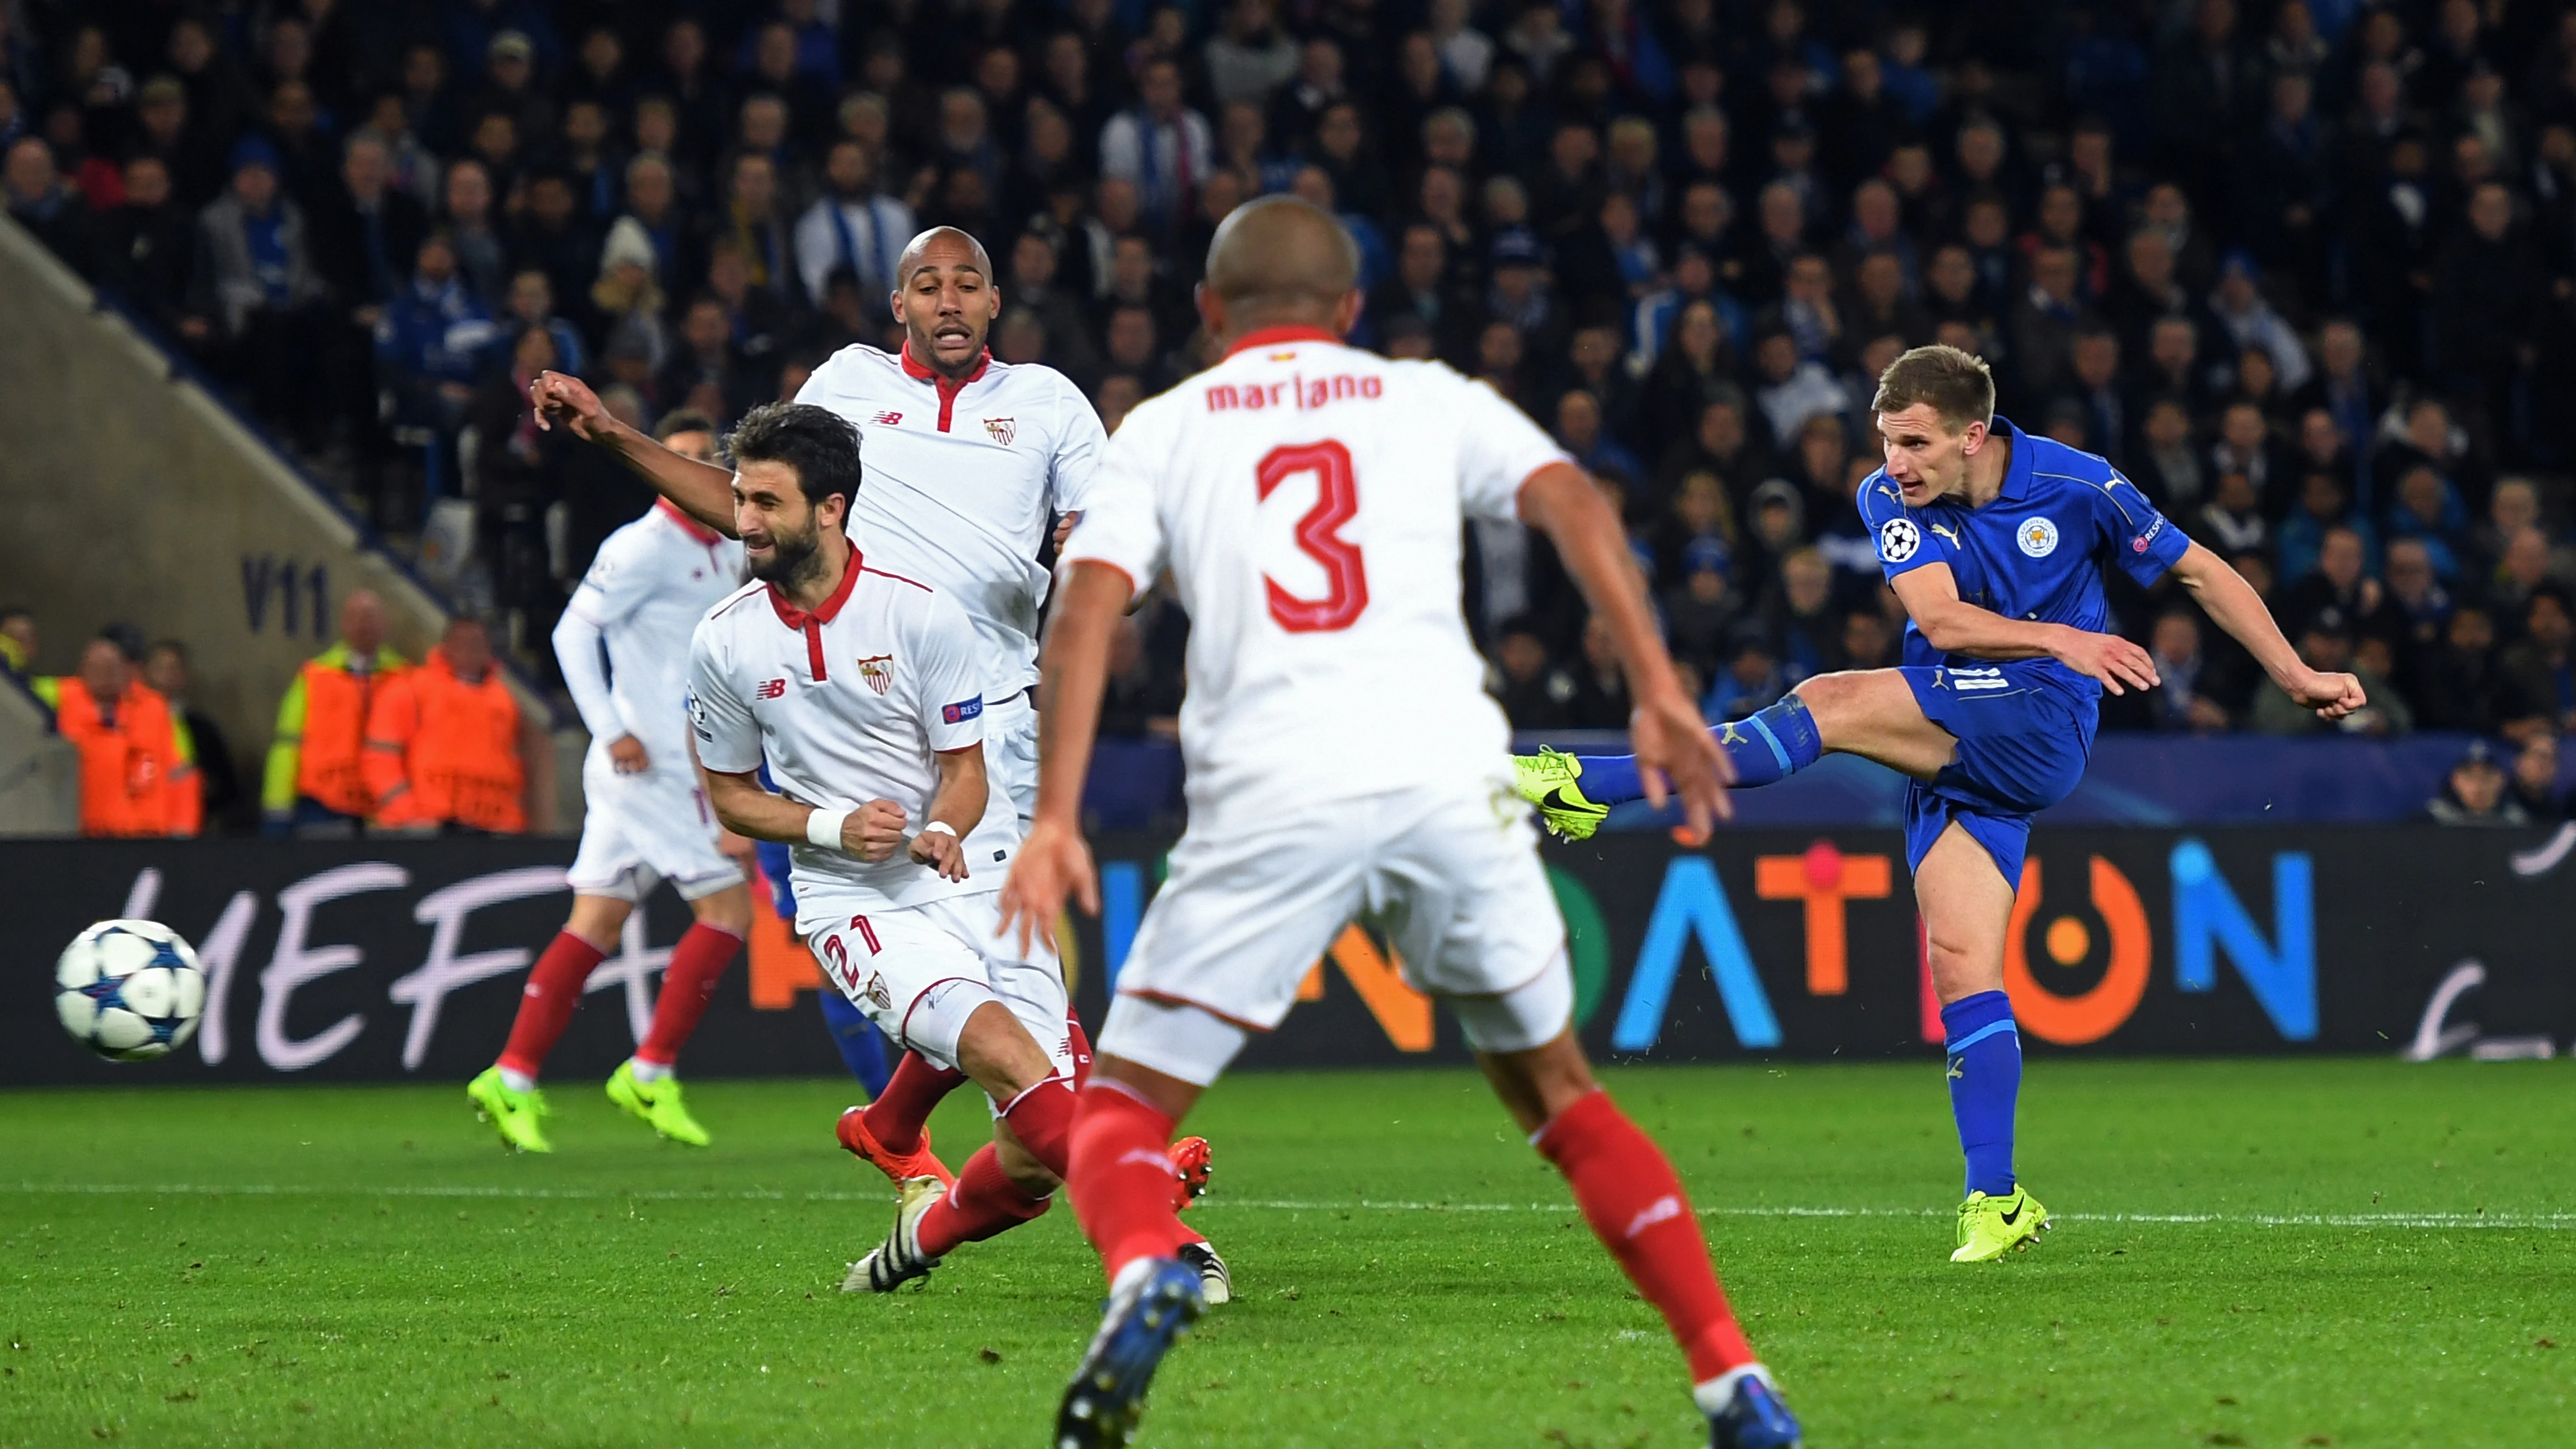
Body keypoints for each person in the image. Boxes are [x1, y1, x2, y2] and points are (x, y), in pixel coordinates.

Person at [997, 197, 1797, 1449]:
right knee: (1565, 1101)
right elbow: (1577, 501)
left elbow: (1087, 608)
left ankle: (1151, 1261)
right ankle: (1731, 1376)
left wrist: (1054, 815)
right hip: (1444, 776)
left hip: (1271, 792)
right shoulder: (1428, 396)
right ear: (1352, 311)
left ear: (1210, 314)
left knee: (1122, 1115)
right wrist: (1657, 687)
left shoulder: (1161, 430)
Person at [1516, 344, 2363, 1264]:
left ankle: (1584, 783)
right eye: (1886, 440)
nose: (1896, 463)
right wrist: (2066, 636)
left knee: (1833, 702)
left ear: (1972, 435)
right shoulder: (1890, 498)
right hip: (1959, 730)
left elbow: (2201, 571)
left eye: (1915, 442)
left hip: (2038, 720)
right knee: (1961, 963)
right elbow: (1946, 619)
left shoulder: (2081, 485)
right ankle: (1994, 1198)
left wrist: (2296, 673)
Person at [526, 226, 1207, 1203]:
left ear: (995, 301)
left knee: (1013, 961)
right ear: (899, 306)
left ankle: (899, 1124)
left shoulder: (1049, 405)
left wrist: (1103, 556)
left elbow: (1118, 573)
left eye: (967, 284)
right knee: (994, 967)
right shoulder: (844, 385)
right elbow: (753, 503)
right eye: (926, 285)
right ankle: (1112, 1150)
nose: (948, 301)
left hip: (993, 725)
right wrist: (608, 432)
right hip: (856, 720)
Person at [678, 402, 1226, 1302]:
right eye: (741, 499)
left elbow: (966, 774)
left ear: (830, 508)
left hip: (970, 870)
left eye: (766, 502)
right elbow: (732, 797)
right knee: (1004, 1051)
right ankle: (1158, 1234)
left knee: (1030, 1155)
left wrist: (942, 825)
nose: (744, 522)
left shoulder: (922, 616)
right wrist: (830, 828)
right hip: (855, 904)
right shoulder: (725, 640)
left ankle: (918, 1231)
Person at [465, 411, 754, 1153]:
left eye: (704, 457)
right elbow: (572, 630)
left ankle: (512, 1076)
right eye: (679, 456)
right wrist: (606, 724)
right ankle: (650, 1069)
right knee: (726, 908)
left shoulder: (727, 542)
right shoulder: (641, 546)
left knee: (593, 922)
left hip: (663, 760)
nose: (695, 469)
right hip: (647, 761)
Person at [363, 616, 530, 834]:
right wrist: (408, 814)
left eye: (477, 643)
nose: (469, 650)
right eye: (462, 642)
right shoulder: (411, 689)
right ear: (446, 647)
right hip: (424, 829)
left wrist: (509, 821)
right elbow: (380, 758)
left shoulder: (505, 701)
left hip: (489, 830)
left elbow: (512, 768)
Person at [262, 588, 407, 833]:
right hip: (321, 805)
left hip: (384, 807)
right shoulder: (314, 676)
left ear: (385, 624)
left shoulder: (404, 678)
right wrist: (278, 811)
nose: (364, 625)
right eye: (357, 617)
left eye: (371, 617)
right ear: (344, 624)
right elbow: (287, 746)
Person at [34, 634, 199, 838]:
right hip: (83, 835)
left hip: (146, 834)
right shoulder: (62, 698)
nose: (105, 676)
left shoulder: (151, 707)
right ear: (82, 670)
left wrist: (182, 831)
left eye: (111, 668)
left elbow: (178, 774)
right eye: (97, 669)